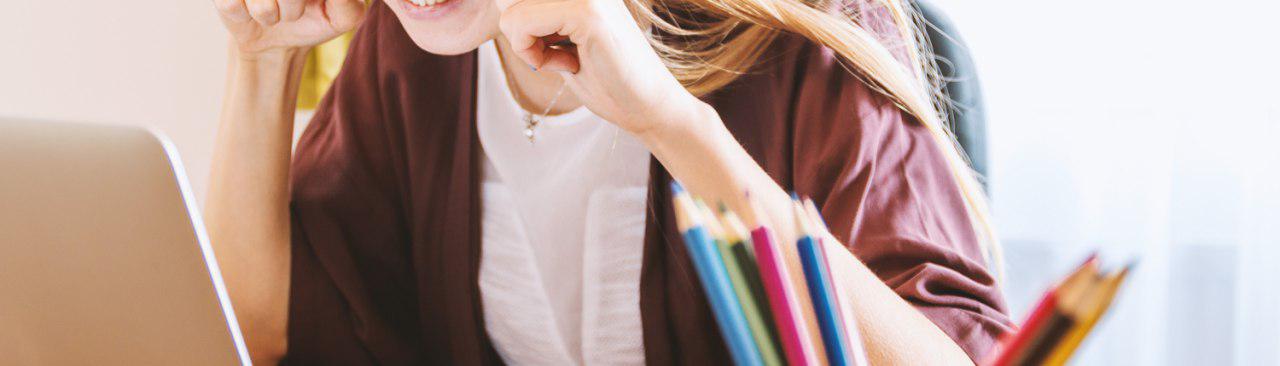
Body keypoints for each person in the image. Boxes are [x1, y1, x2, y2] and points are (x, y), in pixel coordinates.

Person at [207, 0, 1013, 364]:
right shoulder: (411, 54)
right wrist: (263, 61)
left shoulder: (805, 35)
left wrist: (673, 123)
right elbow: (260, 330)